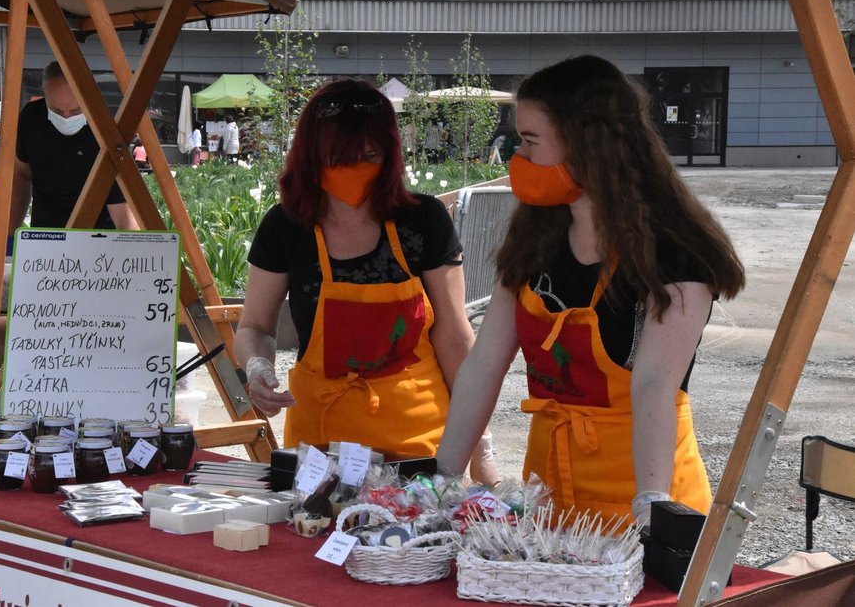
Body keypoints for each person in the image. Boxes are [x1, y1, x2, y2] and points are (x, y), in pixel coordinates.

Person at [435, 55, 745, 522]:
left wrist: (653, 507)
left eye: (530, 141)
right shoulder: (532, 237)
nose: (519, 157)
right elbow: (484, 364)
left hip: (642, 491)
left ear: (588, 144)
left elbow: (655, 386)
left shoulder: (676, 254)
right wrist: (441, 478)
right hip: (549, 494)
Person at [236, 80, 496, 479]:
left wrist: (481, 451)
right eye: (338, 158)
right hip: (321, 444)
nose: (353, 170)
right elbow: (254, 326)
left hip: (416, 440)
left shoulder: (423, 220)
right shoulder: (286, 226)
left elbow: (454, 335)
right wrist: (257, 367)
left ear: (390, 154)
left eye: (369, 156)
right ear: (310, 158)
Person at [12, 61, 137, 230]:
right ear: (45, 95)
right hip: (46, 232)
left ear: (88, 98)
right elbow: (21, 173)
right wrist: (9, 234)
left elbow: (122, 210)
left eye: (76, 110)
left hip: (97, 237)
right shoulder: (32, 118)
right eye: (56, 110)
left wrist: (131, 251)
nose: (66, 117)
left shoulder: (106, 129)